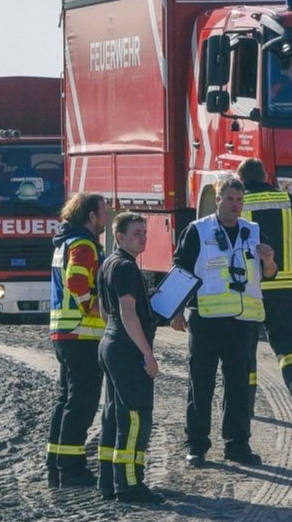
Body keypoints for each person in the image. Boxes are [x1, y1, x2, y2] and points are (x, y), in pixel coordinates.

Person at [170, 176, 277, 467]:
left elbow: (270, 273)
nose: (235, 206)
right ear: (217, 199)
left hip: (242, 323)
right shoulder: (198, 230)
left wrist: (268, 261)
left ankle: (237, 445)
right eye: (230, 199)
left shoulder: (253, 232)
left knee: (239, 386)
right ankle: (196, 445)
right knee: (200, 384)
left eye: (239, 200)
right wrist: (177, 310)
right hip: (206, 320)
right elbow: (180, 268)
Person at [237, 158, 292, 422]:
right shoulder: (289, 202)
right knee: (287, 343)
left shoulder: (237, 204)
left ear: (241, 180)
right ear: (265, 176)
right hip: (284, 288)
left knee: (245, 349)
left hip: (248, 290)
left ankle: (246, 406)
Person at [96, 212, 165, 504]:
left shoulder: (108, 264)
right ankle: (130, 484)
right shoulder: (125, 266)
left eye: (145, 232)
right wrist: (147, 353)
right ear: (119, 237)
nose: (143, 237)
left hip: (111, 342)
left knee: (114, 415)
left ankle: (109, 481)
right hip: (126, 348)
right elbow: (126, 311)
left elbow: (104, 310)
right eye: (137, 233)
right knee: (136, 416)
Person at [46, 192, 108, 488]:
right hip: (82, 332)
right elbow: (76, 280)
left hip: (64, 332)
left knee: (65, 400)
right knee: (81, 403)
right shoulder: (83, 243)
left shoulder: (64, 241)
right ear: (91, 216)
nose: (106, 218)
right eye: (103, 213)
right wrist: (90, 306)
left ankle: (55, 465)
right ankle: (71, 468)